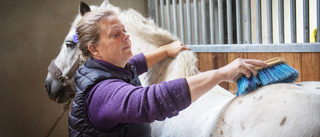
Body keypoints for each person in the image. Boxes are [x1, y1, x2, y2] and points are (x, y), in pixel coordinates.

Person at [68, 9, 267, 137]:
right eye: (116, 34)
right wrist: (221, 74)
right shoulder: (102, 93)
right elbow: (148, 102)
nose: (126, 36)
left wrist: (166, 50)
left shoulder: (111, 68)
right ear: (94, 49)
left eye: (124, 30)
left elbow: (137, 63)